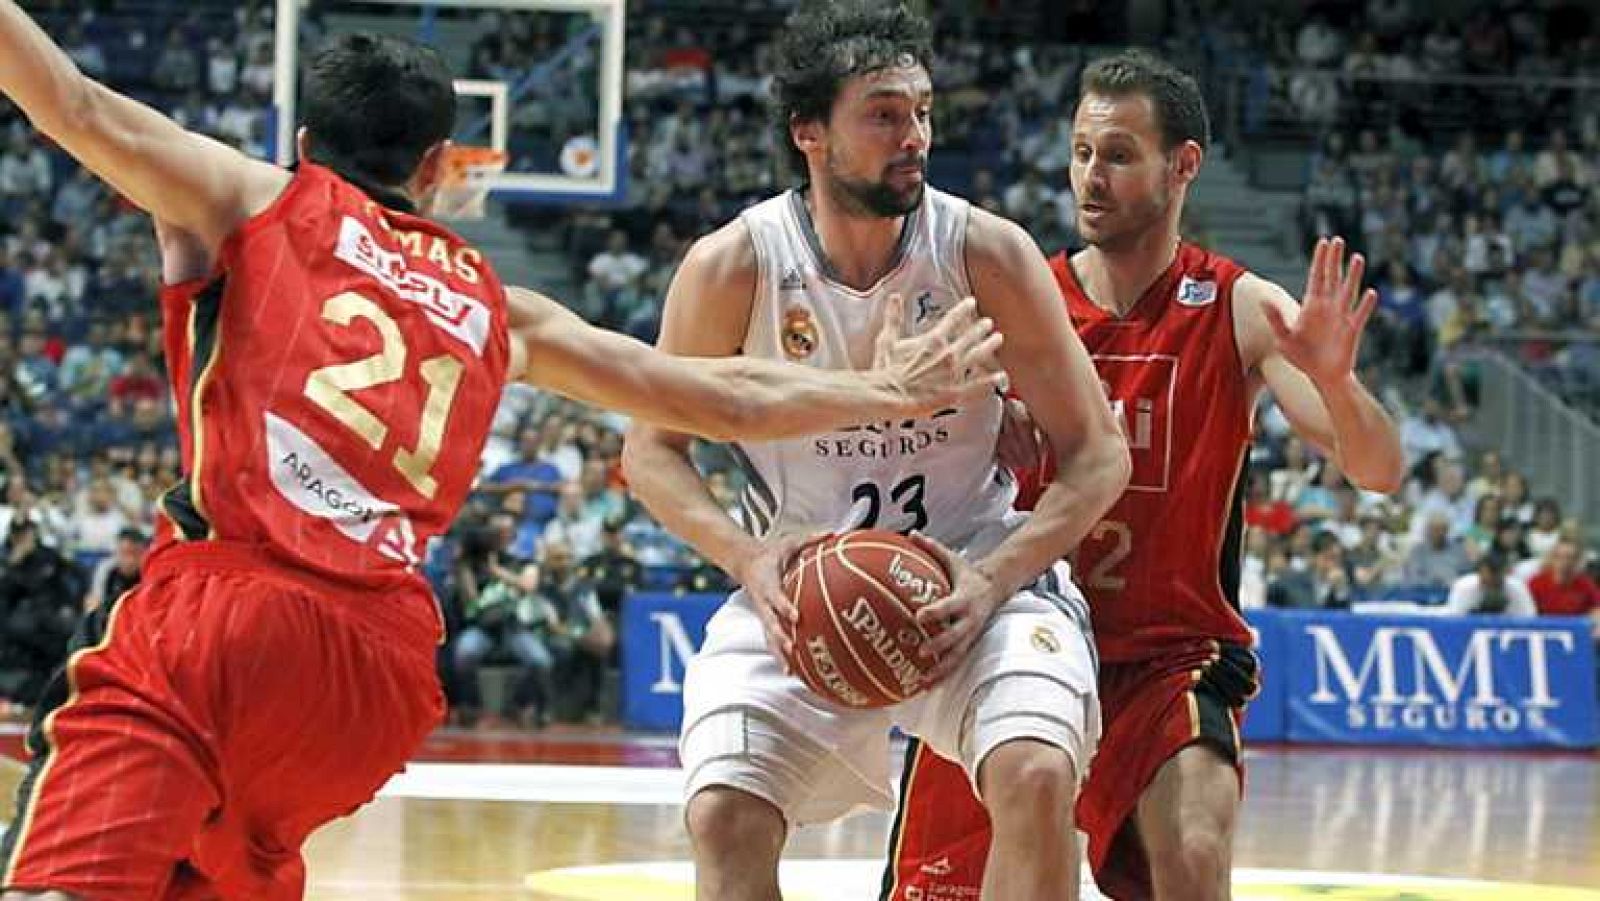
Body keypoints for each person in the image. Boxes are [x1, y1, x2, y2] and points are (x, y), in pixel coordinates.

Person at [0, 5, 1004, 898]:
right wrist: (884, 386)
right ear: (440, 166)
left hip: (229, 614)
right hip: (378, 676)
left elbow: (70, 102)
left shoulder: (256, 199)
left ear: (303, 142)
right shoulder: (501, 306)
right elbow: (712, 391)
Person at [622, 5, 1130, 900]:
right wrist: (748, 556)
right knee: (724, 815)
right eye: (885, 114)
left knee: (1038, 773)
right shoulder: (734, 266)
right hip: (806, 588)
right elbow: (652, 453)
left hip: (976, 573)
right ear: (808, 132)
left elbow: (1099, 457)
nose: (915, 137)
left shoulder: (986, 254)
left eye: (923, 112)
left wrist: (993, 577)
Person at [885, 50, 1404, 901]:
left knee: (1194, 854)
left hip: (1169, 657)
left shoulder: (1238, 305)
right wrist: (975, 420)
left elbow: (1377, 470)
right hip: (1018, 638)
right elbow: (916, 441)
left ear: (1184, 166)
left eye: (1120, 154)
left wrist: (1340, 383)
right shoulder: (1022, 300)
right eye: (1084, 151)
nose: (1093, 175)